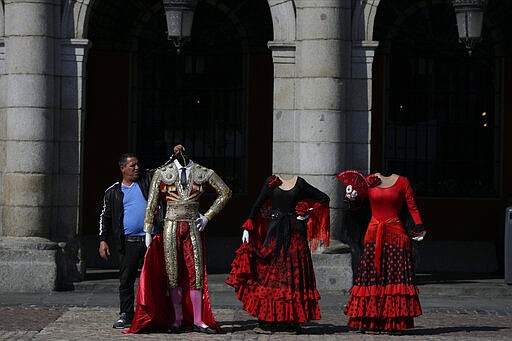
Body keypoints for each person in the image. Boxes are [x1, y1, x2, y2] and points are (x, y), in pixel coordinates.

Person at [125, 148, 232, 334]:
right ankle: (177, 319)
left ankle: (198, 320)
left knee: (196, 272)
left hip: (192, 224)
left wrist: (207, 217)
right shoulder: (162, 173)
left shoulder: (202, 172)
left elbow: (225, 192)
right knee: (172, 273)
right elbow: (152, 202)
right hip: (171, 225)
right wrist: (148, 230)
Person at [226, 174, 330, 333]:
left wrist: (306, 213)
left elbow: (323, 198)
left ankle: (291, 319)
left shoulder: (300, 183)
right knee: (270, 274)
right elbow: (257, 205)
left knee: (293, 275)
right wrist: (248, 227)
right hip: (274, 234)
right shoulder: (271, 182)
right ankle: (269, 318)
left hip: (295, 234)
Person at [98, 145, 183, 329]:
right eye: (132, 166)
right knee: (126, 280)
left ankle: (156, 315)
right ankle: (126, 315)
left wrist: (175, 154)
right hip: (128, 242)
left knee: (155, 278)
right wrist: (102, 240)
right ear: (122, 168)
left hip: (150, 240)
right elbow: (106, 216)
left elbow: (163, 168)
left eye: (137, 165)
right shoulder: (113, 192)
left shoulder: (146, 179)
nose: (137, 168)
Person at [341, 171, 426, 334]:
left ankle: (394, 322)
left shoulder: (403, 182)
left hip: (396, 235)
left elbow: (412, 207)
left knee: (394, 279)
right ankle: (370, 321)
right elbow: (357, 206)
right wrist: (351, 198)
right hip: (373, 235)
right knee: (372, 278)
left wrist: (419, 227)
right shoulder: (369, 181)